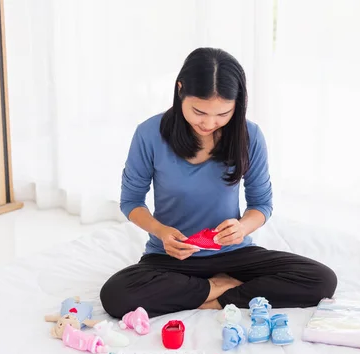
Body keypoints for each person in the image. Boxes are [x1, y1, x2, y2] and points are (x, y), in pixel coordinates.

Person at [100, 48, 337, 318]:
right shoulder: (149, 133)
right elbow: (131, 201)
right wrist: (161, 231)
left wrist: (242, 227)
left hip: (233, 253)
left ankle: (214, 298)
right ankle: (216, 286)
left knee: (322, 280)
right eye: (199, 111)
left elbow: (261, 204)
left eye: (223, 114)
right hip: (172, 258)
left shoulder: (250, 135)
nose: (209, 123)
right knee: (115, 295)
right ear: (180, 90)